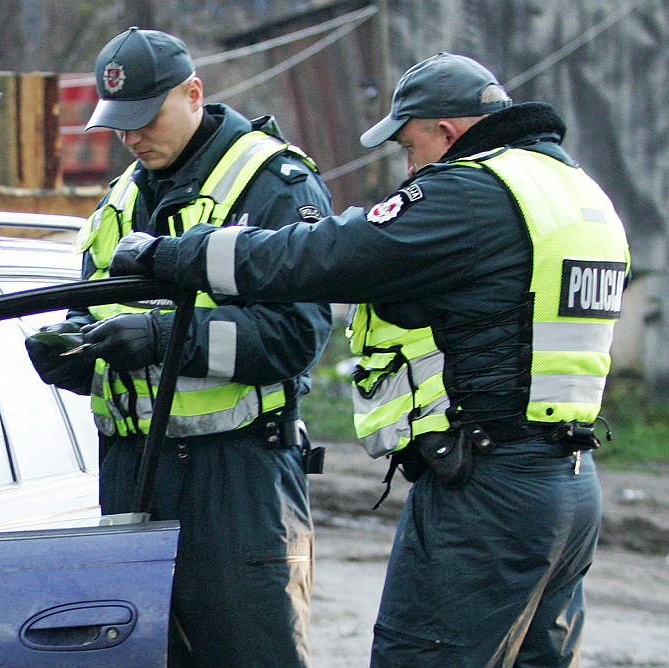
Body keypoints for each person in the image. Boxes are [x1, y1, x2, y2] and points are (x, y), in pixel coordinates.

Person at [110, 52, 631, 667]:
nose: (409, 169)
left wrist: (176, 255)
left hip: (487, 489)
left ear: (447, 132)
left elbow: (327, 253)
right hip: (567, 484)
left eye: (411, 149)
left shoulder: (473, 191)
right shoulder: (575, 192)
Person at [24, 27, 334, 667]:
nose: (132, 138)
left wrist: (168, 339)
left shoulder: (272, 182)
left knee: (249, 655)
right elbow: (92, 312)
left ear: (193, 93)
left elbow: (297, 335)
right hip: (133, 472)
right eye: (119, 125)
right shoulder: (121, 200)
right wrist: (77, 356)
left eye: (145, 118)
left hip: (237, 475)